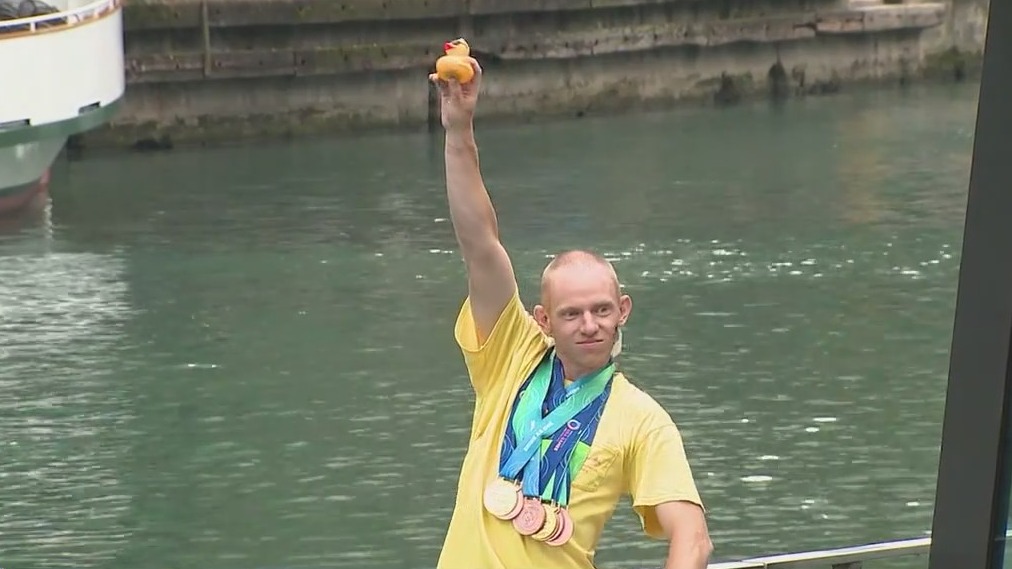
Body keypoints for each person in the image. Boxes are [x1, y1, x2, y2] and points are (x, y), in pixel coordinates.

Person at [429, 57, 712, 569]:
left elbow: (691, 538)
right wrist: (458, 129)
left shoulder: (643, 421)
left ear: (623, 310)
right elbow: (480, 242)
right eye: (572, 313)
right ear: (542, 320)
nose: (589, 325)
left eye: (603, 310)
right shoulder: (509, 357)